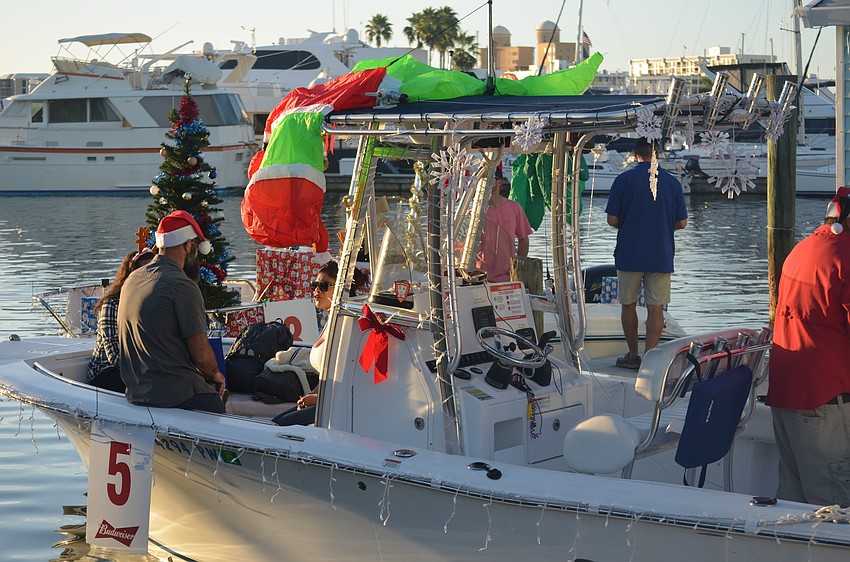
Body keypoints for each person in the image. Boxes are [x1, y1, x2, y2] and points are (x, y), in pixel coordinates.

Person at [766, 187, 850, 506]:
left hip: (788, 392)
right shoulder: (844, 258)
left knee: (791, 498)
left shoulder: (802, 250)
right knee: (833, 505)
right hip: (826, 399)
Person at [118, 210, 227, 414]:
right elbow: (201, 356)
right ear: (187, 245)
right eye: (194, 247)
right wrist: (215, 374)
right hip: (175, 396)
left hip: (136, 393)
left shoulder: (132, 279)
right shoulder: (183, 286)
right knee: (218, 405)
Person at [605, 138, 687, 369]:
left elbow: (612, 219)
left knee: (628, 305)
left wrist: (631, 223)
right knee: (656, 307)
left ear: (634, 155)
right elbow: (682, 222)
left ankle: (633, 354)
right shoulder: (672, 183)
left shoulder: (623, 180)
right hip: (660, 253)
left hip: (629, 252)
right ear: (657, 154)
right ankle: (650, 359)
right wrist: (661, 224)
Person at [273, 260, 367, 426]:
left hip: (338, 405)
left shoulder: (346, 325)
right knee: (275, 423)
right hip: (326, 399)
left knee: (280, 426)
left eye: (323, 285)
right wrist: (312, 395)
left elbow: (346, 378)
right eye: (314, 285)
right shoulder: (331, 322)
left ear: (339, 289)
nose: (316, 290)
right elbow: (327, 374)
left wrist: (316, 398)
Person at [87, 248, 155, 392]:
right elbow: (113, 354)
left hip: (139, 368)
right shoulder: (111, 304)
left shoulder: (152, 302)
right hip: (107, 371)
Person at [475, 166, 534, 282]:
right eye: (482, 178)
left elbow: (524, 239)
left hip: (508, 276)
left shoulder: (514, 208)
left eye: (488, 178)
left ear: (499, 182)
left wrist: (518, 268)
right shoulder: (475, 212)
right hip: (480, 276)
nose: (484, 181)